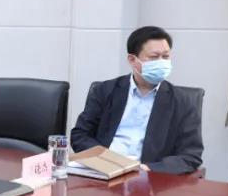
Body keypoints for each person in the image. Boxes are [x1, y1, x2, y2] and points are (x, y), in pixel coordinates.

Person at [71, 26, 203, 174]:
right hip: (103, 171)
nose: (161, 62)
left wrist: (150, 169)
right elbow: (80, 135)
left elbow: (191, 155)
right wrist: (103, 160)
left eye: (165, 57)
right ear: (132, 60)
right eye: (154, 57)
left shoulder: (182, 101)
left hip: (148, 176)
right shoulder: (105, 90)